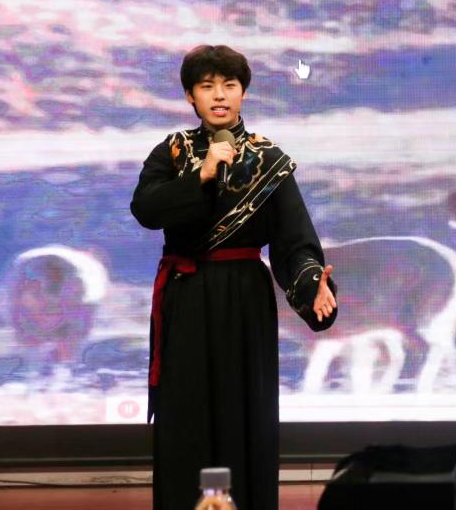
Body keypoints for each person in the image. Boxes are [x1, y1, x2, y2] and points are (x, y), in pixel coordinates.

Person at [131, 45, 337, 510]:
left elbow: (294, 240)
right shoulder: (172, 151)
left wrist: (312, 286)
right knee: (186, 411)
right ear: (190, 96)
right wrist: (200, 177)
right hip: (186, 295)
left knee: (246, 412)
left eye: (229, 85)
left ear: (243, 93)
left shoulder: (269, 159)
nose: (219, 96)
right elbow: (145, 210)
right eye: (207, 87)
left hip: (245, 298)